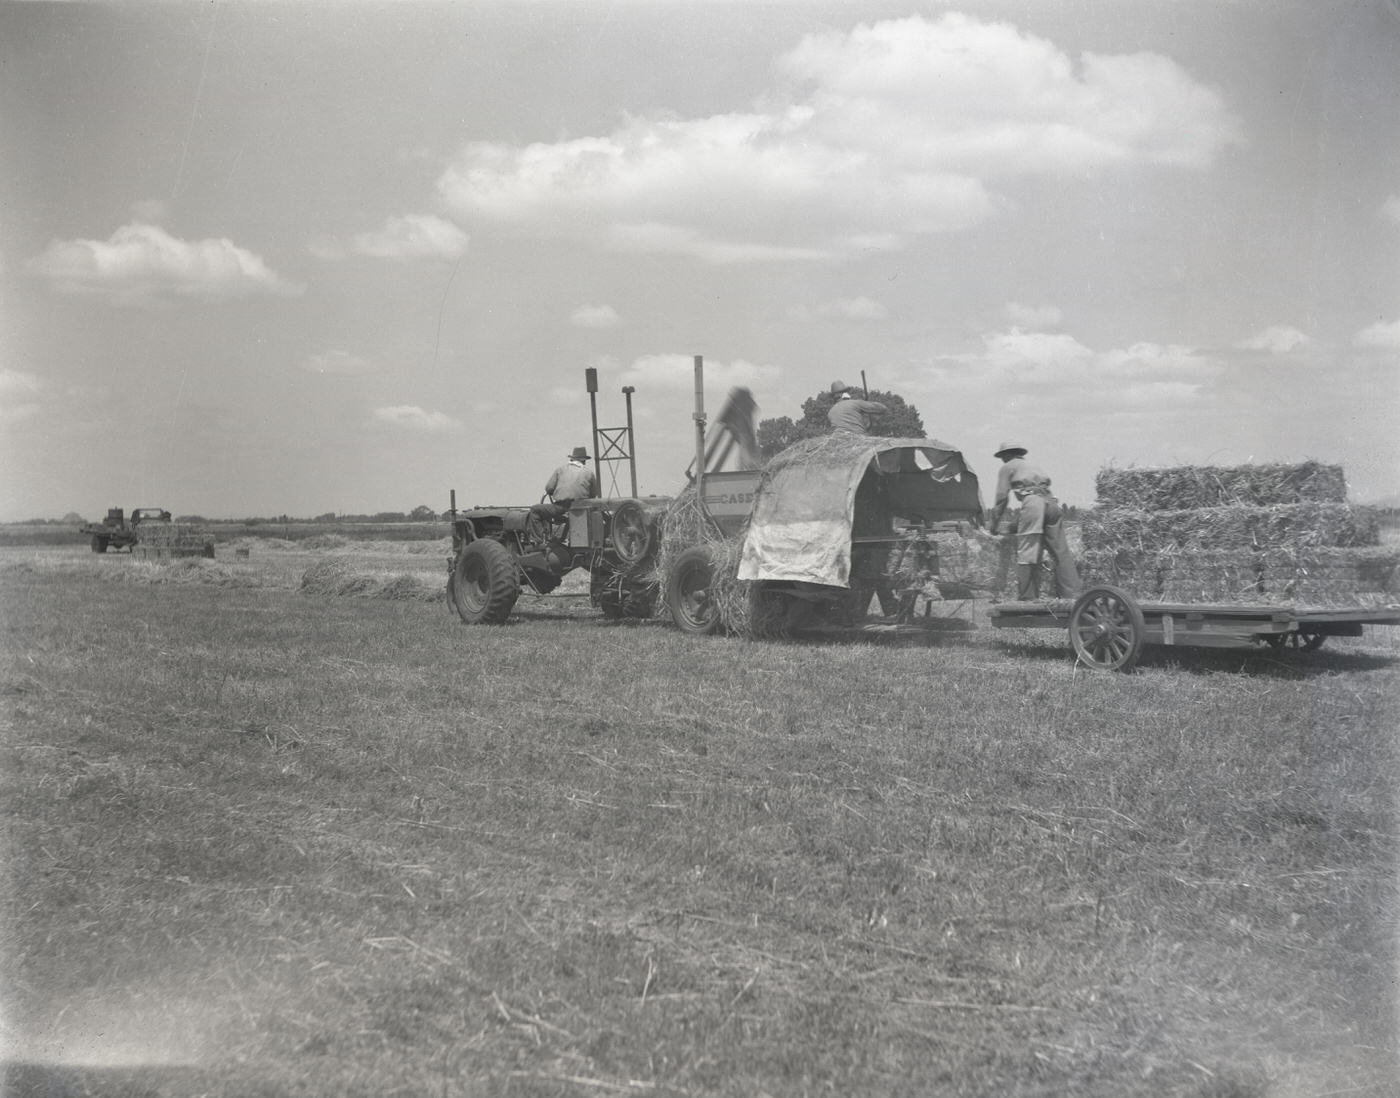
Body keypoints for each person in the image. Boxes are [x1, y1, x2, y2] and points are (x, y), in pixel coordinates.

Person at [989, 442, 1081, 600]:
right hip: (1051, 503)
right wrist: (1013, 526)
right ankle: (1073, 597)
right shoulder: (1032, 465)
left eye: (1002, 456)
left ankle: (1027, 600)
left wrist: (994, 525)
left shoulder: (1007, 467)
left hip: (1033, 503)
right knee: (1061, 553)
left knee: (1027, 552)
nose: (1002, 460)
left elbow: (1002, 499)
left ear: (1006, 455)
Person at [531, 446, 597, 533]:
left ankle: (539, 539)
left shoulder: (560, 470)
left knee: (534, 510)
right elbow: (593, 494)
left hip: (561, 507)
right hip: (581, 508)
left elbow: (549, 488)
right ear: (584, 460)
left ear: (572, 459)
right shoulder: (589, 473)